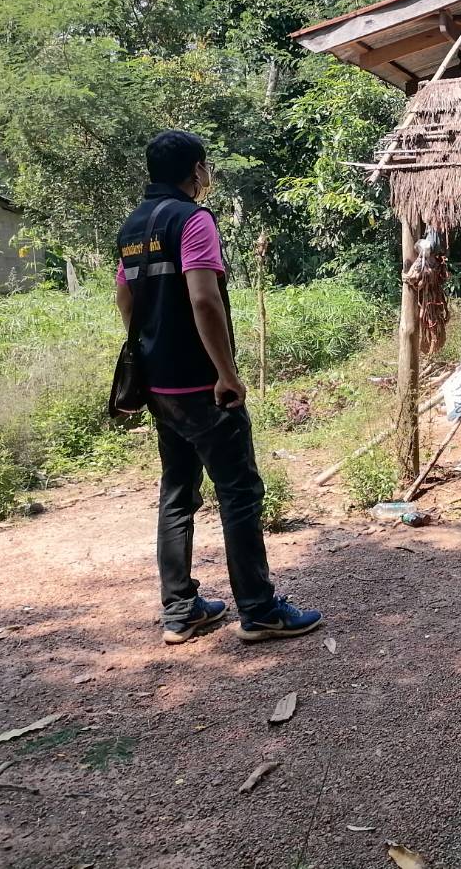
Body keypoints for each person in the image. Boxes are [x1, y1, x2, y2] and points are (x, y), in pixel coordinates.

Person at [116, 130, 322, 646]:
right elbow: (204, 299)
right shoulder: (193, 219)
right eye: (205, 167)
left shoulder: (133, 226)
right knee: (239, 493)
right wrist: (226, 374)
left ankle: (181, 610)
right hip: (200, 384)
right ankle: (259, 610)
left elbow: (125, 298)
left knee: (177, 494)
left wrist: (149, 352)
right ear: (196, 170)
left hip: (158, 385)